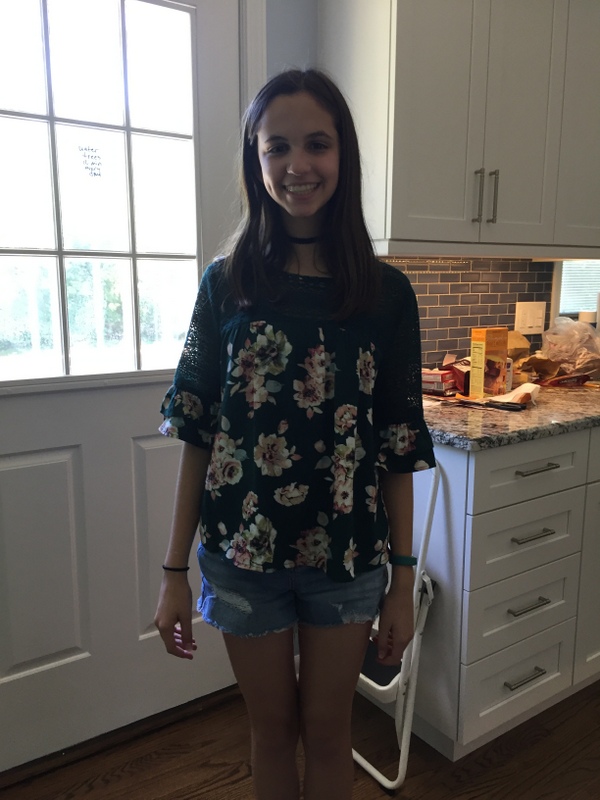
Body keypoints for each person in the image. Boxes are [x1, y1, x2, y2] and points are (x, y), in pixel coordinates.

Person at [154, 68, 435, 800]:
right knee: (271, 733)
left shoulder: (386, 295)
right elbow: (197, 434)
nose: (296, 165)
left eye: (317, 144)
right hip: (241, 559)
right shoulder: (225, 284)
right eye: (276, 147)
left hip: (347, 558)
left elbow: (397, 448)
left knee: (331, 733)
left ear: (344, 155)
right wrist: (174, 573)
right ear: (256, 160)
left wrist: (403, 581)